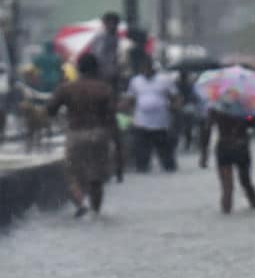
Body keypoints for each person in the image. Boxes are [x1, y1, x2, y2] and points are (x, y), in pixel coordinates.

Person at [47, 53, 124, 218]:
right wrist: (118, 150)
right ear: (96, 69)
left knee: (73, 175)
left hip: (76, 135)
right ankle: (95, 214)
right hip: (99, 135)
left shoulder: (67, 88)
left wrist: (61, 118)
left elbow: (50, 109)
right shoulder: (104, 89)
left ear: (78, 68)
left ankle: (81, 204)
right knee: (96, 179)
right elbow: (112, 119)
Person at [199, 109, 255, 213]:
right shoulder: (245, 106)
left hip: (224, 147)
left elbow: (207, 129)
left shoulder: (216, 108)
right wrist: (248, 117)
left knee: (227, 188)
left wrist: (204, 154)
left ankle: (225, 218)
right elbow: (252, 125)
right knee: (246, 183)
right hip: (241, 147)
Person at [125, 56, 179, 172]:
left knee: (165, 153)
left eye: (148, 67)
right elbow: (130, 99)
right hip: (141, 122)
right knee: (142, 154)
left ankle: (169, 167)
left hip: (160, 122)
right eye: (144, 68)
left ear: (153, 67)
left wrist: (174, 107)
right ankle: (142, 168)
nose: (146, 70)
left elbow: (175, 96)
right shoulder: (135, 81)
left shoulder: (164, 79)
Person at [89, 12, 122, 92]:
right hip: (102, 75)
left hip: (114, 75)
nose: (113, 26)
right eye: (111, 23)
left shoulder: (116, 38)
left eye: (115, 23)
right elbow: (97, 56)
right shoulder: (101, 38)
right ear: (105, 23)